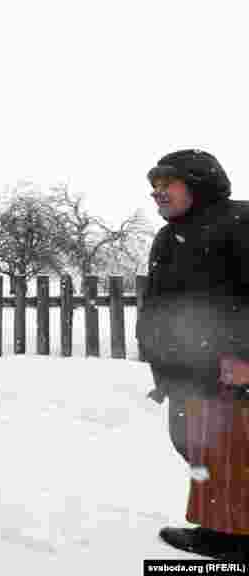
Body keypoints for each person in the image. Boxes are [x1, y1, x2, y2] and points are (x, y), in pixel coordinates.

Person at [137, 149, 249, 560]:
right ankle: (217, 527)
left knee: (233, 453)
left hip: (229, 373)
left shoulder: (239, 222)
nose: (157, 193)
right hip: (184, 370)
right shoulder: (169, 236)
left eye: (167, 183)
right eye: (154, 187)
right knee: (197, 448)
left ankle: (235, 538)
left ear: (197, 183)